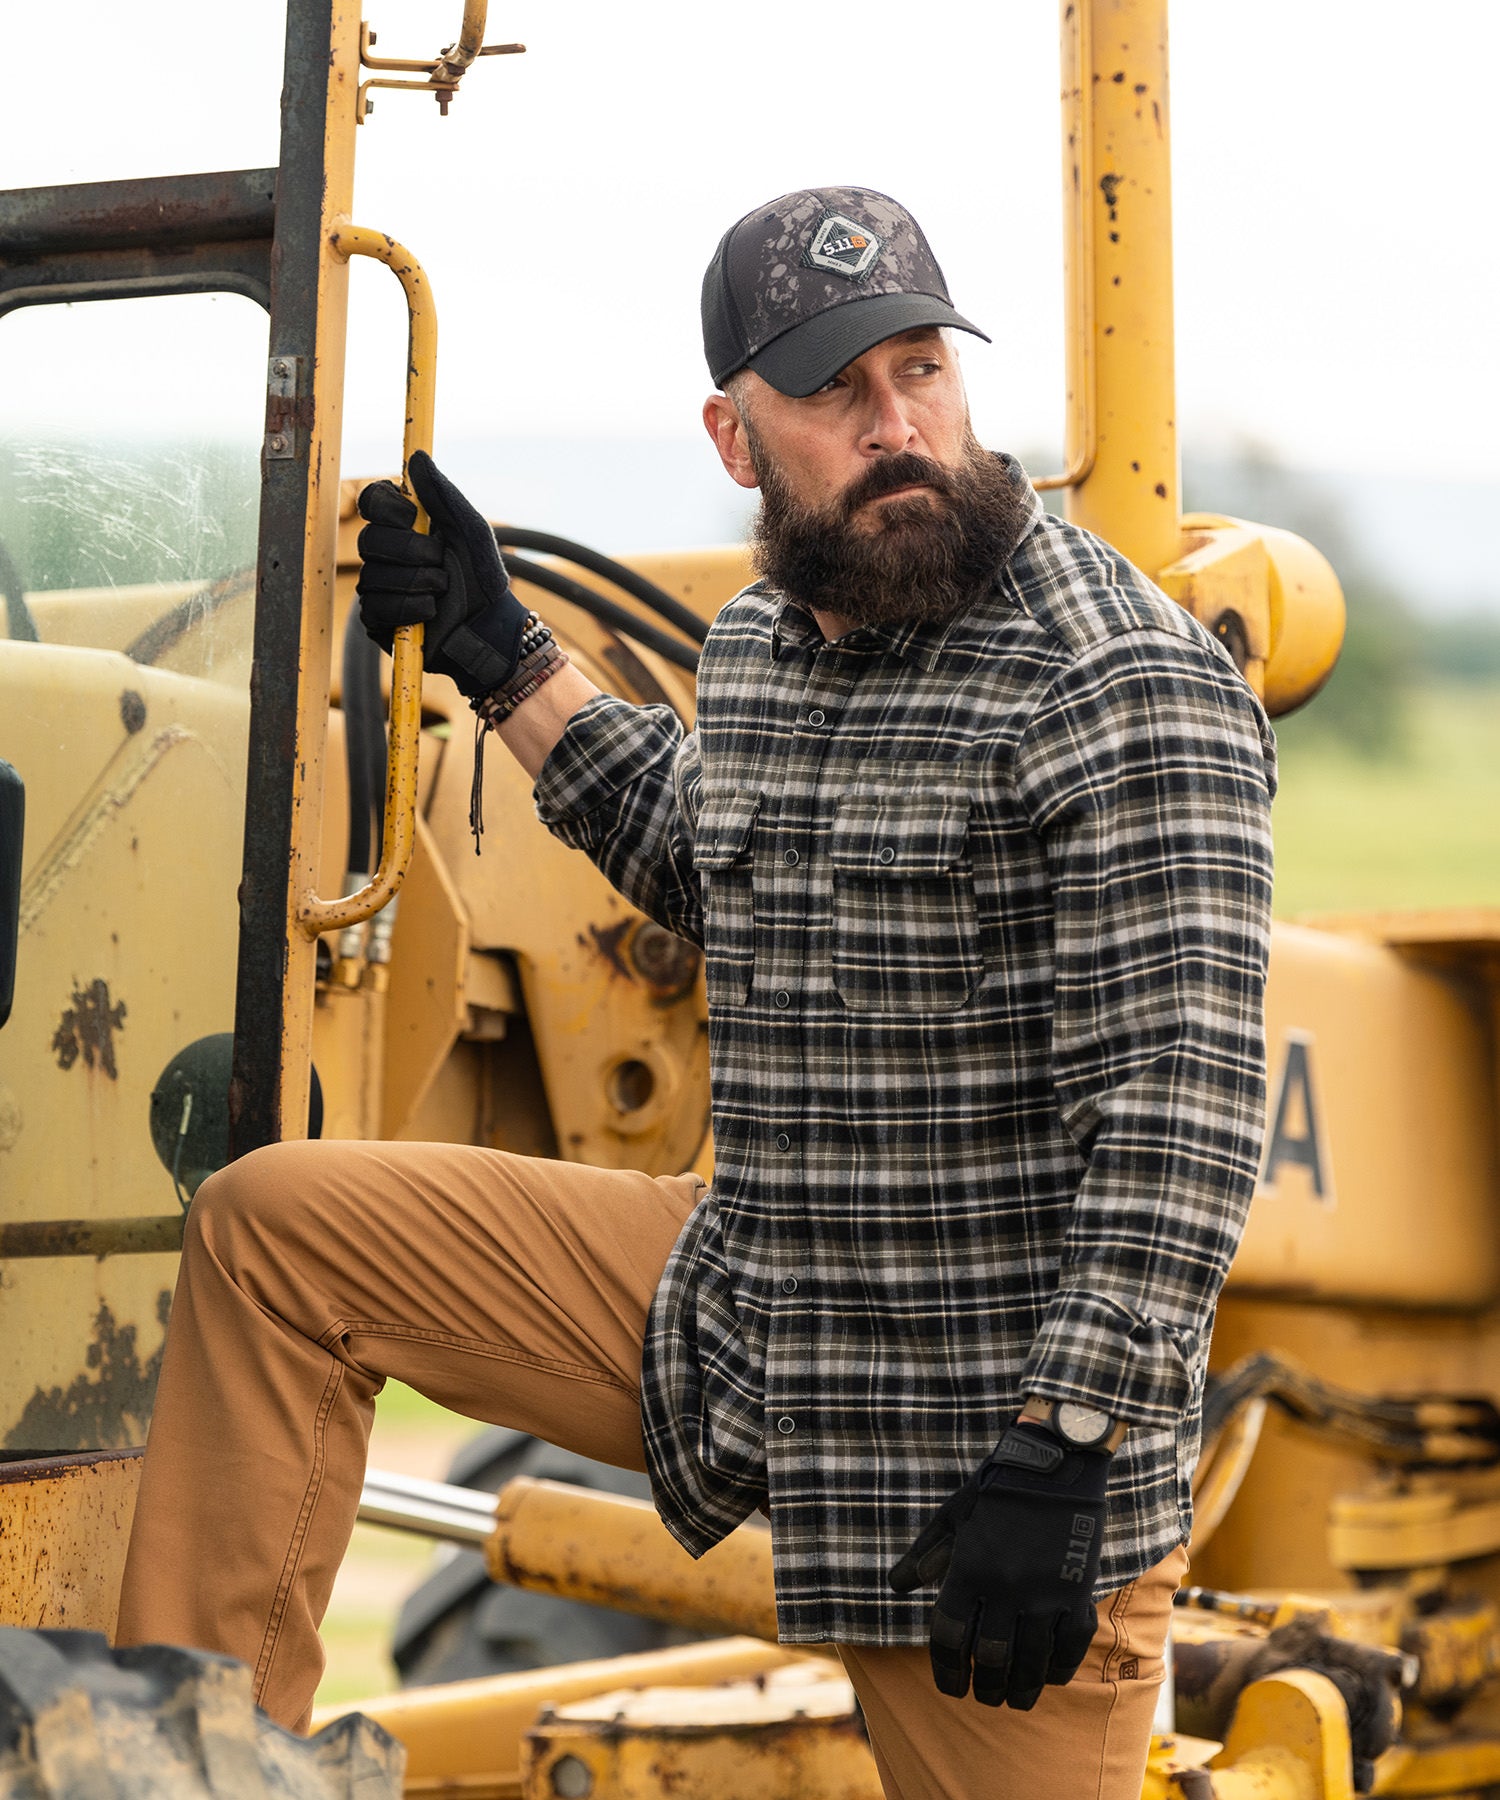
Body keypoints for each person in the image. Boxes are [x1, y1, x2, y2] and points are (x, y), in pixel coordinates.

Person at [117, 187, 1276, 1800]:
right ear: (738, 439)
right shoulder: (778, 644)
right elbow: (712, 853)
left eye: (922, 370)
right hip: (752, 1310)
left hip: (986, 1463)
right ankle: (187, 1771)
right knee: (278, 1233)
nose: (898, 427)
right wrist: (500, 655)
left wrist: (1068, 1445)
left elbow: (1182, 1120)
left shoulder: (1117, 681)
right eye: (836, 392)